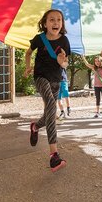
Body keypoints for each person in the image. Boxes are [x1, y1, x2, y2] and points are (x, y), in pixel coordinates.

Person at [25, 9, 70, 172]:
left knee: (50, 113)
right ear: (45, 24)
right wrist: (28, 66)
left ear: (62, 24)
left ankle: (35, 126)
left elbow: (65, 64)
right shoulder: (39, 39)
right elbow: (28, 52)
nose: (56, 22)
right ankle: (54, 155)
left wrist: (61, 62)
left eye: (59, 20)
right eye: (51, 20)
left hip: (57, 79)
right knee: (52, 107)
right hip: (41, 77)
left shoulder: (64, 41)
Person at [82, 50, 102, 118]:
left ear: (101, 61)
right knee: (97, 99)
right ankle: (97, 112)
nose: (97, 62)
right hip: (96, 86)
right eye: (95, 61)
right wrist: (83, 57)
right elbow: (87, 64)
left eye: (98, 61)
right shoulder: (94, 68)